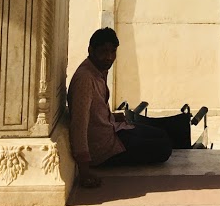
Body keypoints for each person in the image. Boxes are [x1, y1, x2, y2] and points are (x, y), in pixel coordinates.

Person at [67, 27, 172, 187]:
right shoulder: (85, 79)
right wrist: (84, 170)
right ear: (91, 50)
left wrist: (111, 116)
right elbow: (79, 124)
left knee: (162, 134)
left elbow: (94, 110)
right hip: (104, 149)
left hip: (113, 130)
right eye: (103, 52)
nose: (109, 57)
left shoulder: (97, 70)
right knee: (164, 148)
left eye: (112, 52)